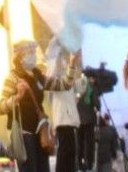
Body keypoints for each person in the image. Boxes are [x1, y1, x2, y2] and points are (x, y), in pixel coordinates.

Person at [0, 41, 54, 172]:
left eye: (34, 52)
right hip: (24, 135)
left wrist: (72, 65)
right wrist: (17, 97)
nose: (33, 55)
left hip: (41, 135)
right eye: (29, 53)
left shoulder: (38, 75)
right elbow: (0, 107)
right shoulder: (13, 78)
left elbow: (63, 85)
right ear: (20, 57)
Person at [44, 41, 82, 172]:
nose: (62, 58)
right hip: (64, 120)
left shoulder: (61, 76)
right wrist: (58, 38)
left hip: (68, 119)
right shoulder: (53, 76)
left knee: (69, 153)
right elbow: (52, 57)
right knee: (66, 153)